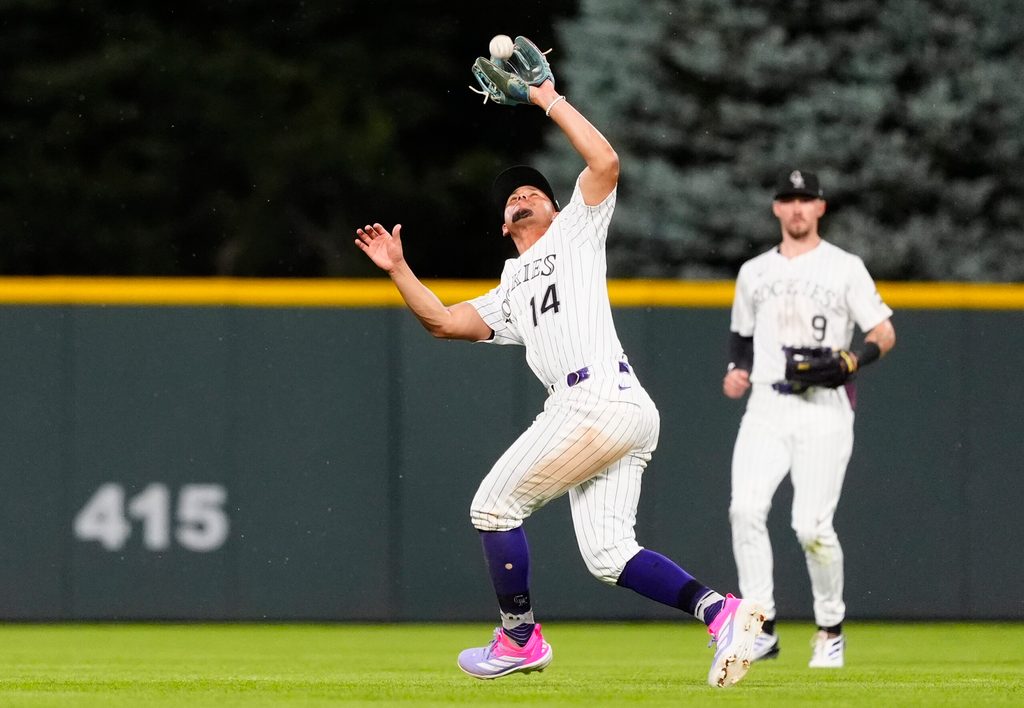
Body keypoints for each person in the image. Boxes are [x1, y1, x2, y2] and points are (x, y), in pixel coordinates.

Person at [355, 41, 764, 689]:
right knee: (608, 555)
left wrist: (547, 98)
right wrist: (400, 270)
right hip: (618, 413)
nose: (522, 194)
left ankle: (519, 638)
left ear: (553, 206)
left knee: (493, 507)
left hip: (595, 402)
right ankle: (722, 613)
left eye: (533, 190)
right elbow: (441, 320)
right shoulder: (510, 286)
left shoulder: (575, 230)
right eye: (510, 196)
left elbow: (604, 161)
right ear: (501, 224)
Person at [722, 169, 897, 668]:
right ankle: (761, 627)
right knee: (745, 510)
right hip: (767, 405)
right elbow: (741, 337)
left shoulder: (845, 267)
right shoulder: (754, 272)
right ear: (776, 208)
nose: (797, 207)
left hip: (825, 408)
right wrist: (738, 370)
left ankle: (829, 628)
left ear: (820, 208)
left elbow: (883, 332)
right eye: (788, 199)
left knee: (811, 527)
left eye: (806, 199)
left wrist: (852, 360)